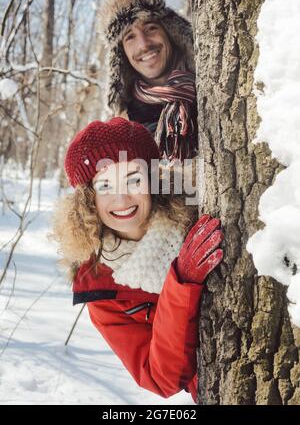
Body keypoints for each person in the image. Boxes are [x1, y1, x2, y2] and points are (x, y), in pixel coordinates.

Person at [51, 117, 224, 403]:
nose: (121, 199)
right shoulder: (101, 288)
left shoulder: (200, 209)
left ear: (154, 181)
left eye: (134, 179)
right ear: (87, 199)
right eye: (105, 185)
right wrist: (181, 282)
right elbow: (161, 379)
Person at [97, 0, 198, 163]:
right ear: (121, 55)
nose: (143, 44)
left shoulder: (211, 86)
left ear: (170, 31)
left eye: (150, 28)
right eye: (130, 37)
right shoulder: (124, 126)